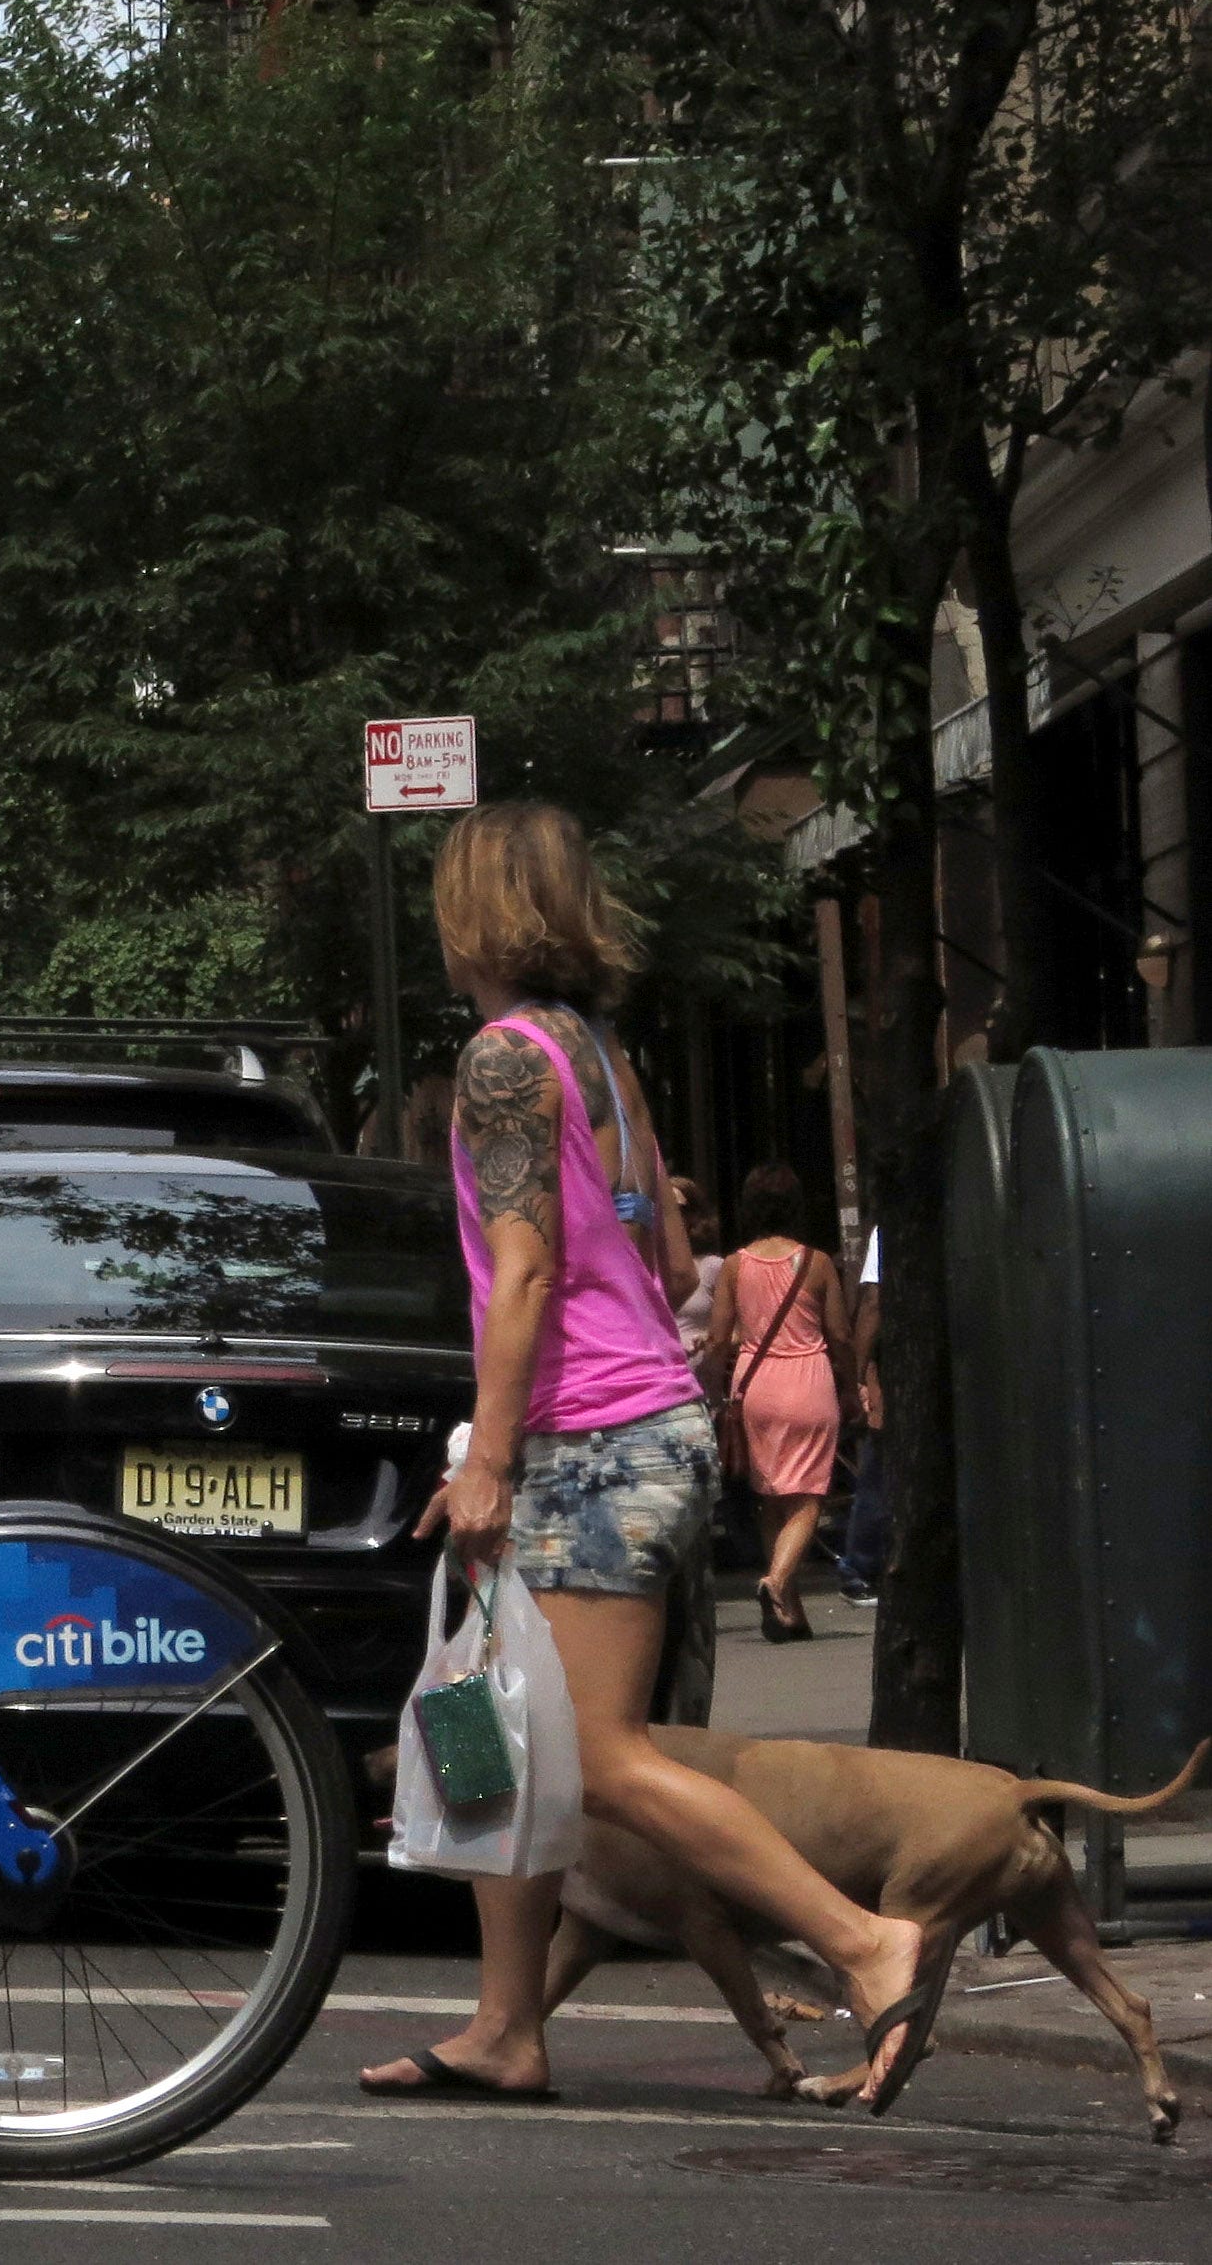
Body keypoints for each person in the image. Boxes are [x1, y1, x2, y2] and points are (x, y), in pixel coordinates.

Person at [360, 801, 943, 2112]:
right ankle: (506, 2028)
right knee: (494, 1739)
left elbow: (521, 1274)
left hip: (592, 1439)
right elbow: (673, 1262)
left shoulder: (506, 1062)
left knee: (602, 1755)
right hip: (637, 1423)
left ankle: (865, 1941)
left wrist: (492, 1456)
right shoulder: (600, 1058)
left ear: (476, 911)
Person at [705, 1162, 855, 1643]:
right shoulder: (816, 1263)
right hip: (808, 1382)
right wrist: (852, 1384)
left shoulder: (734, 1264)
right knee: (809, 1495)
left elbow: (717, 1339)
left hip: (756, 1385)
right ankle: (774, 1582)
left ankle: (789, 1610)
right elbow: (839, 1334)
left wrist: (711, 1389)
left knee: (771, 1497)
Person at [838, 1224, 888, 1605]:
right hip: (898, 1366)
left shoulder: (886, 1229)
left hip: (892, 1364)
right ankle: (862, 1562)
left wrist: (860, 1370)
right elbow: (872, 1300)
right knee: (879, 1468)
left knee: (880, 1467)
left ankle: (862, 1563)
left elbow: (873, 1300)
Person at [669, 1176, 722, 1366]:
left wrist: (711, 1338)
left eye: (677, 1209)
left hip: (700, 1383)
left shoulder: (713, 1267)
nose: (667, 1214)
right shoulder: (644, 1267)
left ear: (694, 1215)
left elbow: (743, 1329)